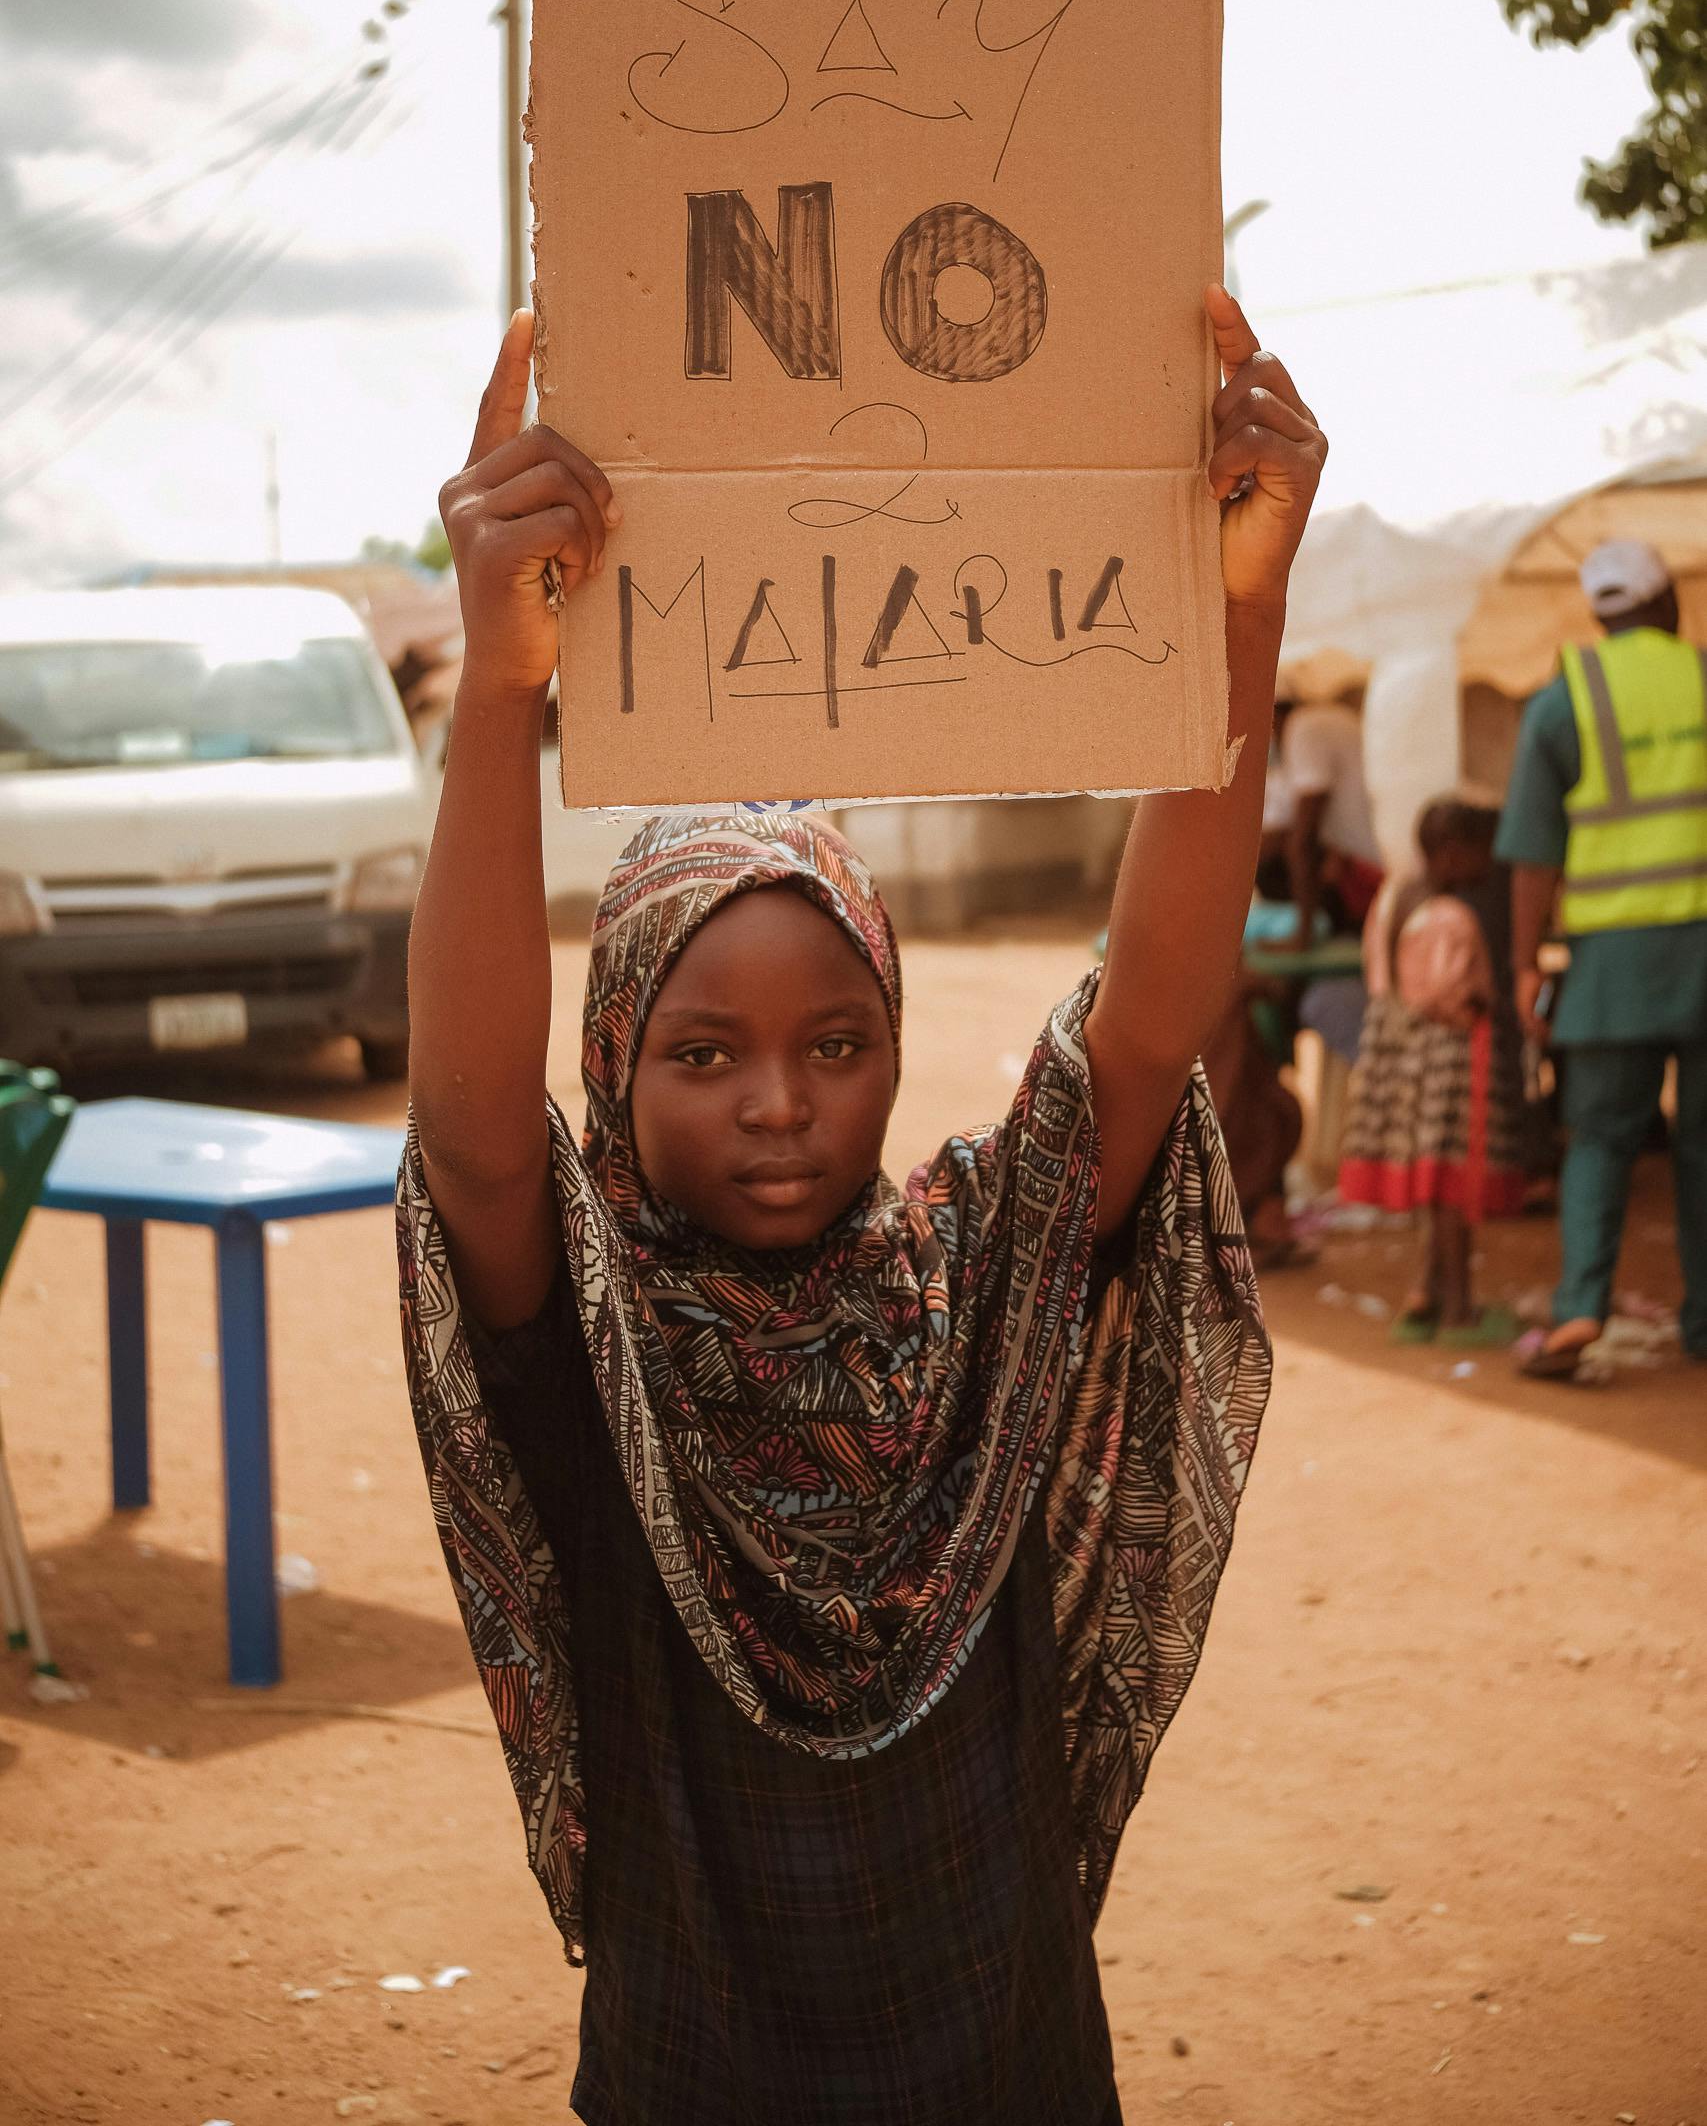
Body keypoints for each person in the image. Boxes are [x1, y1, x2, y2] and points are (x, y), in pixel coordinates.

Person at [397, 284, 1325, 2126]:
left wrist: (1239, 606)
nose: (774, 1103)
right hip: (695, 2075)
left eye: (835, 1043)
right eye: (700, 1053)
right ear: (614, 1061)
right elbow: (479, 1138)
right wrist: (502, 697)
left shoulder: (979, 1279)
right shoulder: (599, 1336)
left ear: (894, 1044)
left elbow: (1146, 1030)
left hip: (1008, 2067)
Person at [1498, 538, 1707, 1380]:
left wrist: (1523, 964)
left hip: (1609, 966)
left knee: (1600, 1140)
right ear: (1667, 604)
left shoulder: (1562, 704)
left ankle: (1580, 1309)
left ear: (1600, 614)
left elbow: (1530, 853)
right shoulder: (1701, 675)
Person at [1339, 798, 1526, 1342]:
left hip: (1404, 1059)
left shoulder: (1396, 895)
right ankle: (1459, 1309)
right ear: (1450, 854)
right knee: (1452, 1187)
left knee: (1432, 1183)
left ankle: (1425, 1292)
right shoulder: (1450, 916)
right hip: (1450, 1063)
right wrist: (1480, 1004)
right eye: (1481, 851)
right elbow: (1449, 993)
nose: (1491, 863)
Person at [1276, 692, 1383, 942]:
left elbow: (1303, 837)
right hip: (1374, 863)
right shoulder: (1325, 718)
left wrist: (1302, 935)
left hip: (1373, 867)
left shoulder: (1303, 728)